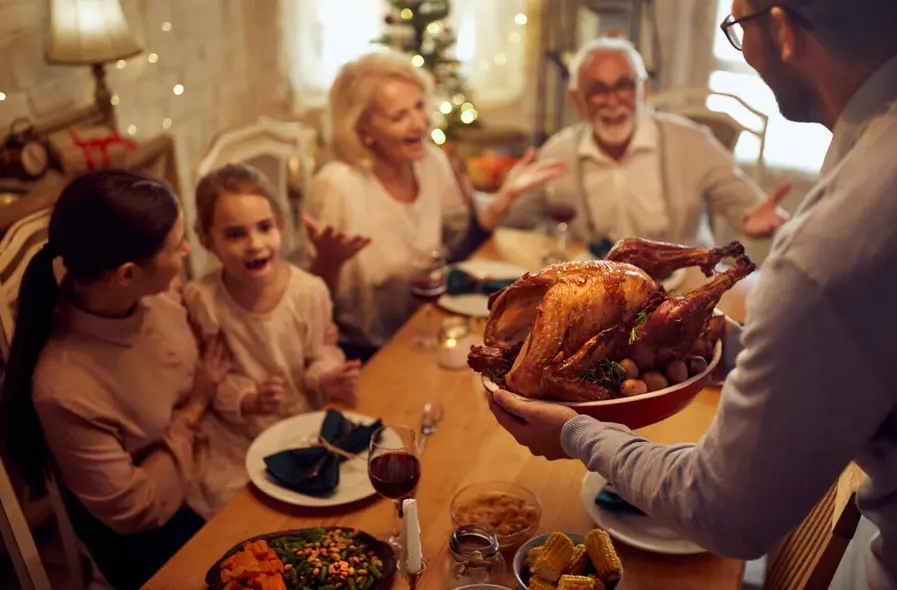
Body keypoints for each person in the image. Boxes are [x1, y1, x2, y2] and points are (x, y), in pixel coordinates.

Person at [487, 2, 897, 589]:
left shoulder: (841, 236)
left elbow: (724, 510)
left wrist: (574, 433)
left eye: (736, 28)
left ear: (781, 29)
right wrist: (743, 348)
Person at [0, 171, 229, 589]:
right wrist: (194, 408)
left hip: (209, 460)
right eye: (177, 244)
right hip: (156, 532)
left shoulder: (155, 294)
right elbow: (136, 508)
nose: (187, 250)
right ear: (127, 274)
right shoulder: (63, 388)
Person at [303, 51, 567, 357]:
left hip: (427, 329)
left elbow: (457, 250)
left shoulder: (432, 162)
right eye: (399, 116)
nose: (419, 123)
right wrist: (328, 261)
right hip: (361, 352)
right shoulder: (337, 186)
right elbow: (306, 300)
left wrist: (501, 201)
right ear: (363, 131)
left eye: (419, 106)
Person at [182, 163, 360, 518]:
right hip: (240, 436)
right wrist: (248, 400)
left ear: (280, 225)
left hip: (301, 423)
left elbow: (320, 352)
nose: (255, 244)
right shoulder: (203, 300)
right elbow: (210, 374)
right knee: (250, 515)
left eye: (264, 227)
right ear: (207, 241)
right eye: (235, 234)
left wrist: (326, 376)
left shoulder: (309, 291)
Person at [502, 36, 790, 247]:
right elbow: (514, 219)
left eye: (625, 86)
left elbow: (744, 206)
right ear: (576, 100)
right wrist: (502, 200)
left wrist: (757, 220)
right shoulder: (558, 152)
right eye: (597, 90)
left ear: (645, 90)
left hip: (682, 288)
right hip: (599, 290)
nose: (613, 102)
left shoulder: (692, 142)